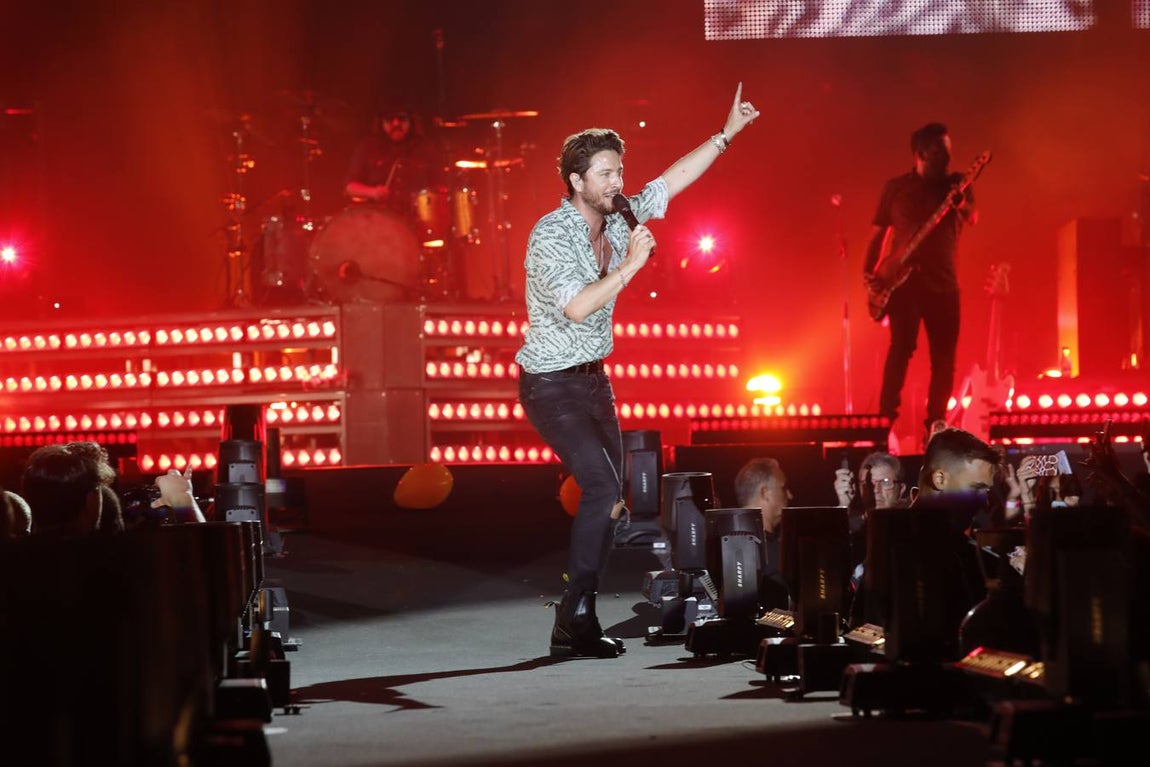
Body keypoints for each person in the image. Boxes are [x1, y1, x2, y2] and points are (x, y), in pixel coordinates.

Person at [518, 84, 760, 659]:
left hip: (594, 381)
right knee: (601, 489)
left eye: (618, 171)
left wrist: (726, 134)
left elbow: (672, 180)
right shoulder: (550, 234)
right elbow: (576, 306)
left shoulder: (622, 214)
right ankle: (574, 619)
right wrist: (630, 268)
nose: (616, 182)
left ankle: (575, 616)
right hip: (550, 383)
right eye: (604, 173)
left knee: (611, 501)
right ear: (576, 181)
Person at [865, 122, 978, 447]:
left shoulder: (958, 183)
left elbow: (972, 215)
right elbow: (878, 235)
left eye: (949, 148)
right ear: (921, 153)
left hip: (944, 284)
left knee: (944, 359)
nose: (948, 155)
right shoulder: (896, 188)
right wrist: (869, 274)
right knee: (901, 350)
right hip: (903, 285)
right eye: (940, 149)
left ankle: (935, 426)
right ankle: (884, 424)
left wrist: (960, 203)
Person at [344, 107, 451, 236]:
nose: (396, 124)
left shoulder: (426, 149)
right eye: (390, 119)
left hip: (416, 225)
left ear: (410, 121)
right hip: (377, 224)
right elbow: (350, 187)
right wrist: (373, 192)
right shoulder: (367, 148)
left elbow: (441, 187)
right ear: (381, 122)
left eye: (401, 119)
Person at [733, 456, 793, 611]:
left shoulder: (728, 546)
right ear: (765, 493)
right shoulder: (756, 552)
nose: (790, 496)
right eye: (784, 488)